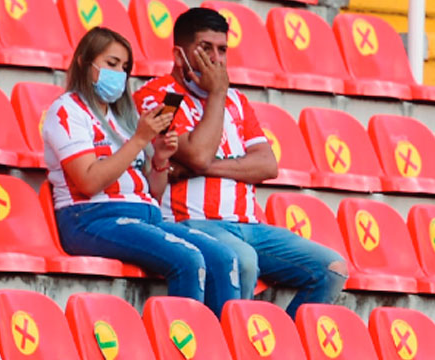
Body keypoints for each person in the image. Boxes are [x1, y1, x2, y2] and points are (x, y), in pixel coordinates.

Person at [133, 8, 348, 318]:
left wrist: (201, 168)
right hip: (189, 223)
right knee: (242, 259)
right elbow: (197, 154)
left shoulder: (237, 101)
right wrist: (217, 93)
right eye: (205, 48)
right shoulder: (159, 95)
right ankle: (232, 352)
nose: (217, 59)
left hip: (249, 226)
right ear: (179, 54)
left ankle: (278, 353)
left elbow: (266, 165)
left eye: (222, 50)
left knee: (332, 269)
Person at [43, 26, 240, 316]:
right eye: (111, 64)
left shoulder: (122, 117)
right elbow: (88, 181)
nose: (119, 74)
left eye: (124, 67)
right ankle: (186, 351)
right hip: (90, 217)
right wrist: (138, 140)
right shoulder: (66, 111)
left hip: (144, 215)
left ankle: (222, 350)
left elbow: (153, 191)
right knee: (188, 259)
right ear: (85, 62)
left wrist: (160, 158)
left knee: (224, 258)